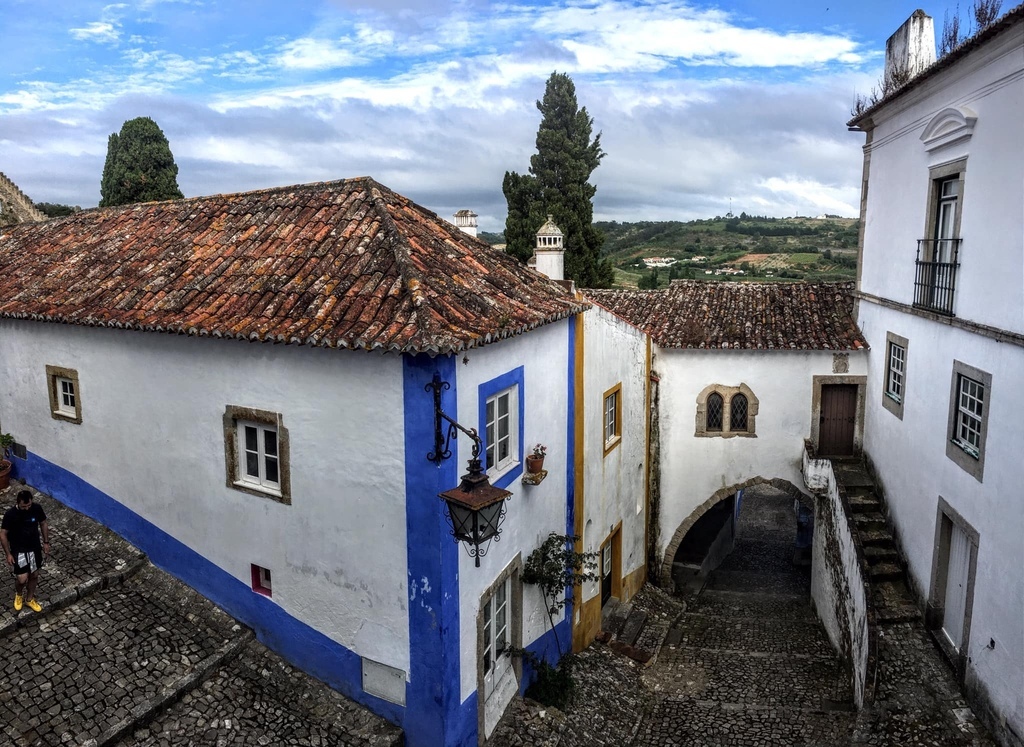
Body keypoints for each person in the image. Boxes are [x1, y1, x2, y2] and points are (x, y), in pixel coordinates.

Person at [1, 489, 50, 612]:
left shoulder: (36, 508)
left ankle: (29, 599)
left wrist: (45, 542)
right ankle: (19, 594)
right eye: (24, 506)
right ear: (18, 503)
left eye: (29, 505)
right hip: (19, 550)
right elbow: (3, 534)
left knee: (34, 575)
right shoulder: (10, 515)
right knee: (22, 578)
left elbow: (43, 523)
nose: (27, 508)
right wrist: (8, 554)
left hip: (34, 548)